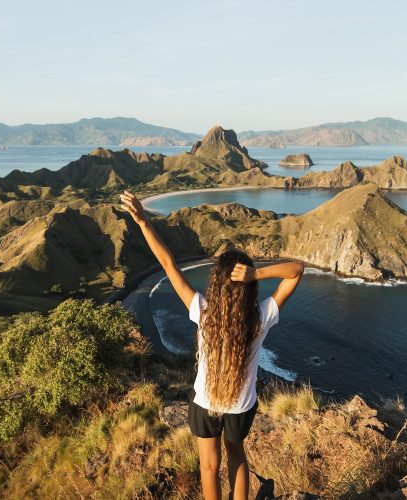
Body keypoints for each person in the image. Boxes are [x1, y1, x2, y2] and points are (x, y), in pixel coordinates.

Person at [120, 190, 304, 500]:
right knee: (237, 457)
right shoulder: (260, 317)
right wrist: (257, 272)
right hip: (242, 406)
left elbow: (167, 263)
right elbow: (296, 270)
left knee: (209, 466)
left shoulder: (203, 312)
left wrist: (141, 221)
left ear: (216, 284)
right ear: (249, 287)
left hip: (205, 403)